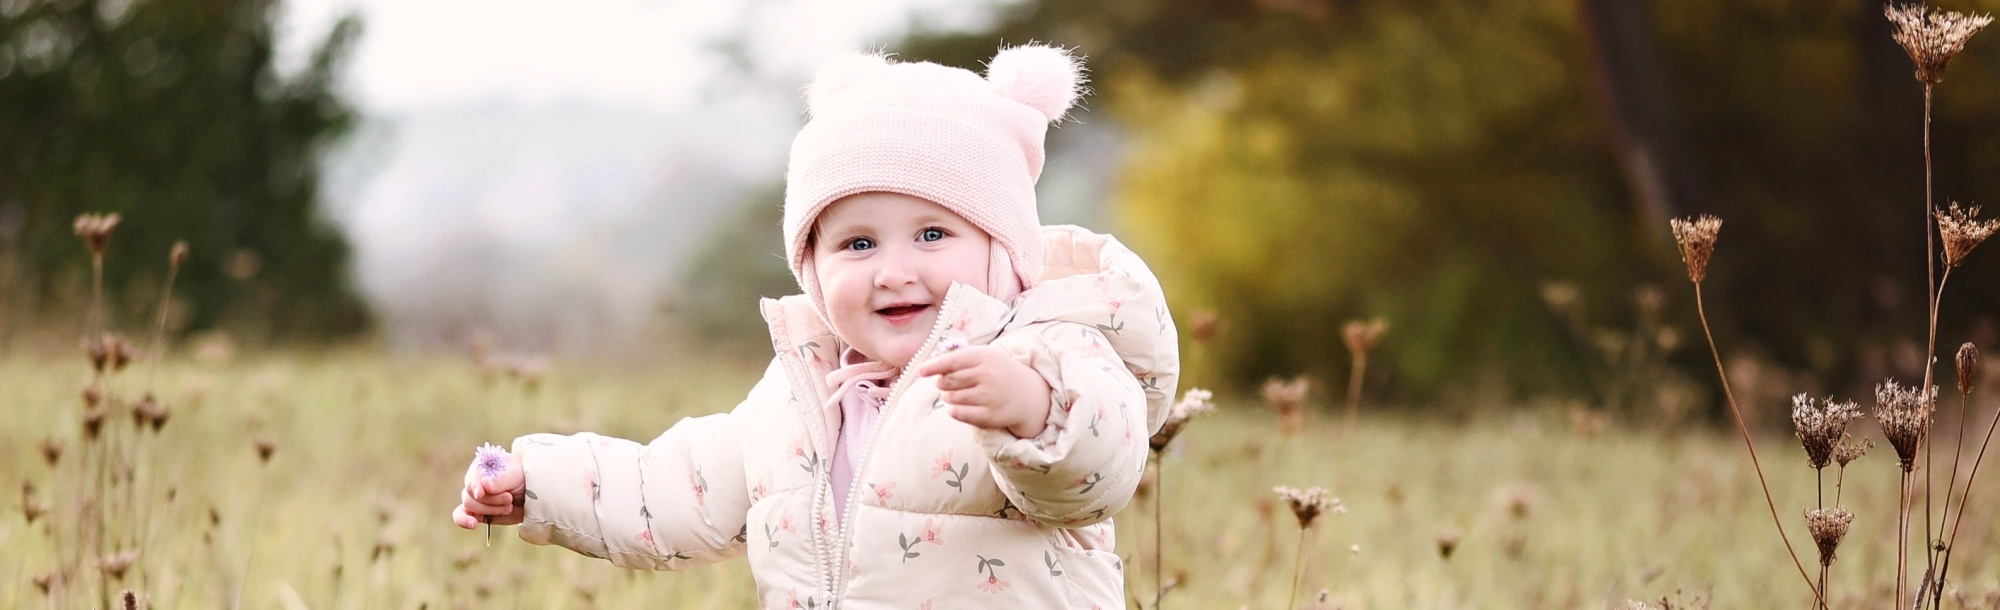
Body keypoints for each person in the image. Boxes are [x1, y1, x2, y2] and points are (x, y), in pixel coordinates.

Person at [451, 43, 1178, 608]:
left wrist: (1030, 409)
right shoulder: (806, 393)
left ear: (1004, 247)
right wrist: (538, 484)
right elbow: (678, 489)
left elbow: (1099, 468)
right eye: (858, 244)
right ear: (812, 270)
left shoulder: (1050, 350)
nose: (893, 270)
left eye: (932, 235)